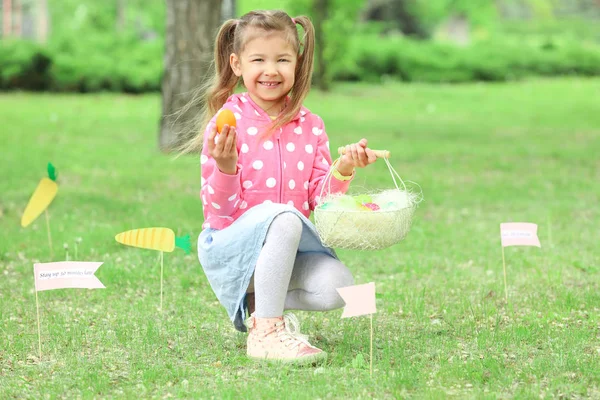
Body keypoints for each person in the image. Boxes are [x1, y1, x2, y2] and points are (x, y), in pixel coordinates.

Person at [190, 10, 377, 364]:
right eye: (258, 59)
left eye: (282, 59)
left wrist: (343, 168)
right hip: (231, 251)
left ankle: (257, 303)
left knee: (340, 286)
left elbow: (318, 201)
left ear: (298, 62)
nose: (271, 70)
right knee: (285, 218)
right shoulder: (227, 124)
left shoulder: (311, 125)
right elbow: (219, 212)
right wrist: (226, 167)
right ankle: (266, 333)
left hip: (284, 258)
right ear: (237, 64)